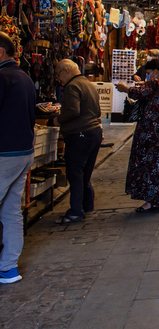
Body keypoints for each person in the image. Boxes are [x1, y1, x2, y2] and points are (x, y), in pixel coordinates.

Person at [115, 59, 159, 213]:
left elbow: (136, 93)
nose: (149, 76)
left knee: (149, 165)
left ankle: (152, 200)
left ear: (156, 71)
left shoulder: (155, 84)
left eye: (149, 73)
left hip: (151, 130)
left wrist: (124, 88)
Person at [0, 32, 34, 283]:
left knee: (10, 211)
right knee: (11, 211)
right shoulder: (23, 77)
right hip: (23, 151)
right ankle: (8, 267)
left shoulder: (3, 77)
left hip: (5, 153)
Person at [54, 58, 102, 224]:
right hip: (93, 132)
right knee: (85, 173)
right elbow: (98, 111)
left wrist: (58, 120)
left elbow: (73, 110)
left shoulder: (72, 86)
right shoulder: (88, 84)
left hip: (80, 134)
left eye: (59, 74)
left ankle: (75, 211)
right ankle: (86, 205)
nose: (59, 78)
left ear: (66, 70)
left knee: (75, 173)